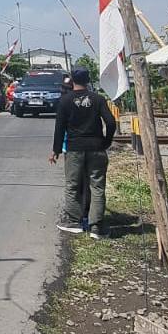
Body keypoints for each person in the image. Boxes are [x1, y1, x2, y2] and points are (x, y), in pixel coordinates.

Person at [50, 68, 116, 238]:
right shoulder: (98, 99)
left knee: (72, 185)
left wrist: (56, 151)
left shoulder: (65, 101)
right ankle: (96, 227)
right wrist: (106, 142)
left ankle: (74, 221)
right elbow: (110, 122)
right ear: (88, 80)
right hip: (96, 147)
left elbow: (60, 128)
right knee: (97, 186)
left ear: (72, 80)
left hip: (74, 149)